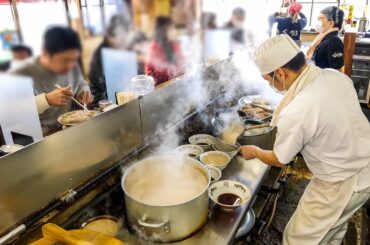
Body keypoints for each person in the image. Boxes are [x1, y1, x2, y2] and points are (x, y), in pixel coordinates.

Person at [241, 34, 370, 244]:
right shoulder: (332, 76)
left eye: (267, 79)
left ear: (280, 73)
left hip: (341, 184)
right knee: (333, 230)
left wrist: (254, 151)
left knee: (297, 239)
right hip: (364, 165)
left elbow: (279, 159)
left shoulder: (298, 110)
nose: (268, 84)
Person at [10, 26, 92, 136]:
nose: (70, 66)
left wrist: (83, 92)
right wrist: (46, 100)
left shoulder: (72, 65)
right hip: (42, 135)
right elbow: (14, 112)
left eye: (74, 59)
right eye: (64, 60)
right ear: (45, 54)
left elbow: (81, 83)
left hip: (71, 127)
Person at [89, 14, 132, 104]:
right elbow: (104, 87)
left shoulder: (120, 48)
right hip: (103, 102)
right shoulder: (100, 55)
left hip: (122, 97)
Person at [144, 16, 185, 86]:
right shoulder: (154, 48)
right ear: (163, 31)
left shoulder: (174, 44)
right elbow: (160, 72)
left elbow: (182, 61)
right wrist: (176, 69)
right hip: (160, 88)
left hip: (175, 83)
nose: (174, 31)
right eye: (171, 29)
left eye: (173, 28)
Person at [306, 6, 344, 71]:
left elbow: (337, 71)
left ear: (331, 23)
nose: (319, 22)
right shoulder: (324, 38)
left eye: (322, 18)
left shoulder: (334, 41)